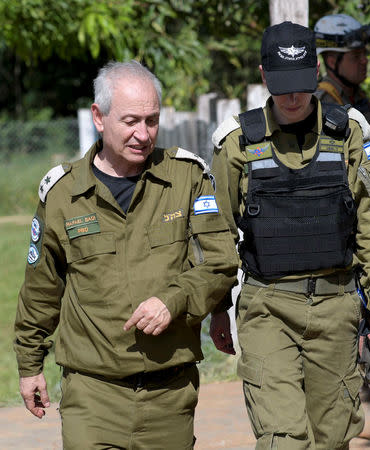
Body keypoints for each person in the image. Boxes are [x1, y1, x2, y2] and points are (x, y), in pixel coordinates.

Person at [14, 60, 238, 449]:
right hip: (92, 395)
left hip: (169, 393)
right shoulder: (63, 194)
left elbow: (220, 263)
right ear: (99, 117)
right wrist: (29, 364)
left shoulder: (188, 177)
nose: (143, 134)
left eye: (152, 120)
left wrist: (174, 300)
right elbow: (42, 286)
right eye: (131, 120)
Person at [209, 21, 370, 449]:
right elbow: (218, 232)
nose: (292, 98)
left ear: (316, 70)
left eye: (299, 85)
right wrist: (218, 308)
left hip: (337, 306)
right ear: (263, 76)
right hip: (267, 309)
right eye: (280, 87)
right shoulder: (237, 143)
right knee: (284, 441)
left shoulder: (347, 132)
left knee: (331, 439)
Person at [315, 13, 370, 342]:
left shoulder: (360, 102)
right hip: (343, 233)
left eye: (365, 54)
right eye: (356, 56)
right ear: (332, 60)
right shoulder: (324, 107)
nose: (365, 61)